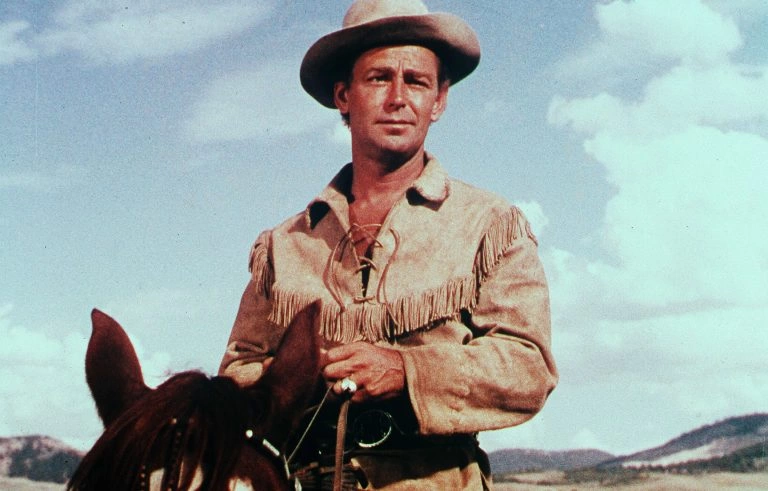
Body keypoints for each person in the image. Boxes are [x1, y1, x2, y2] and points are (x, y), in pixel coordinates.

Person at [219, 0, 558, 489]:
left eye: (416, 82)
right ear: (343, 95)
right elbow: (236, 375)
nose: (398, 98)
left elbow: (528, 368)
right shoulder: (284, 245)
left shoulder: (490, 225)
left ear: (439, 101)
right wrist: (301, 374)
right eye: (379, 78)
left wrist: (406, 371)